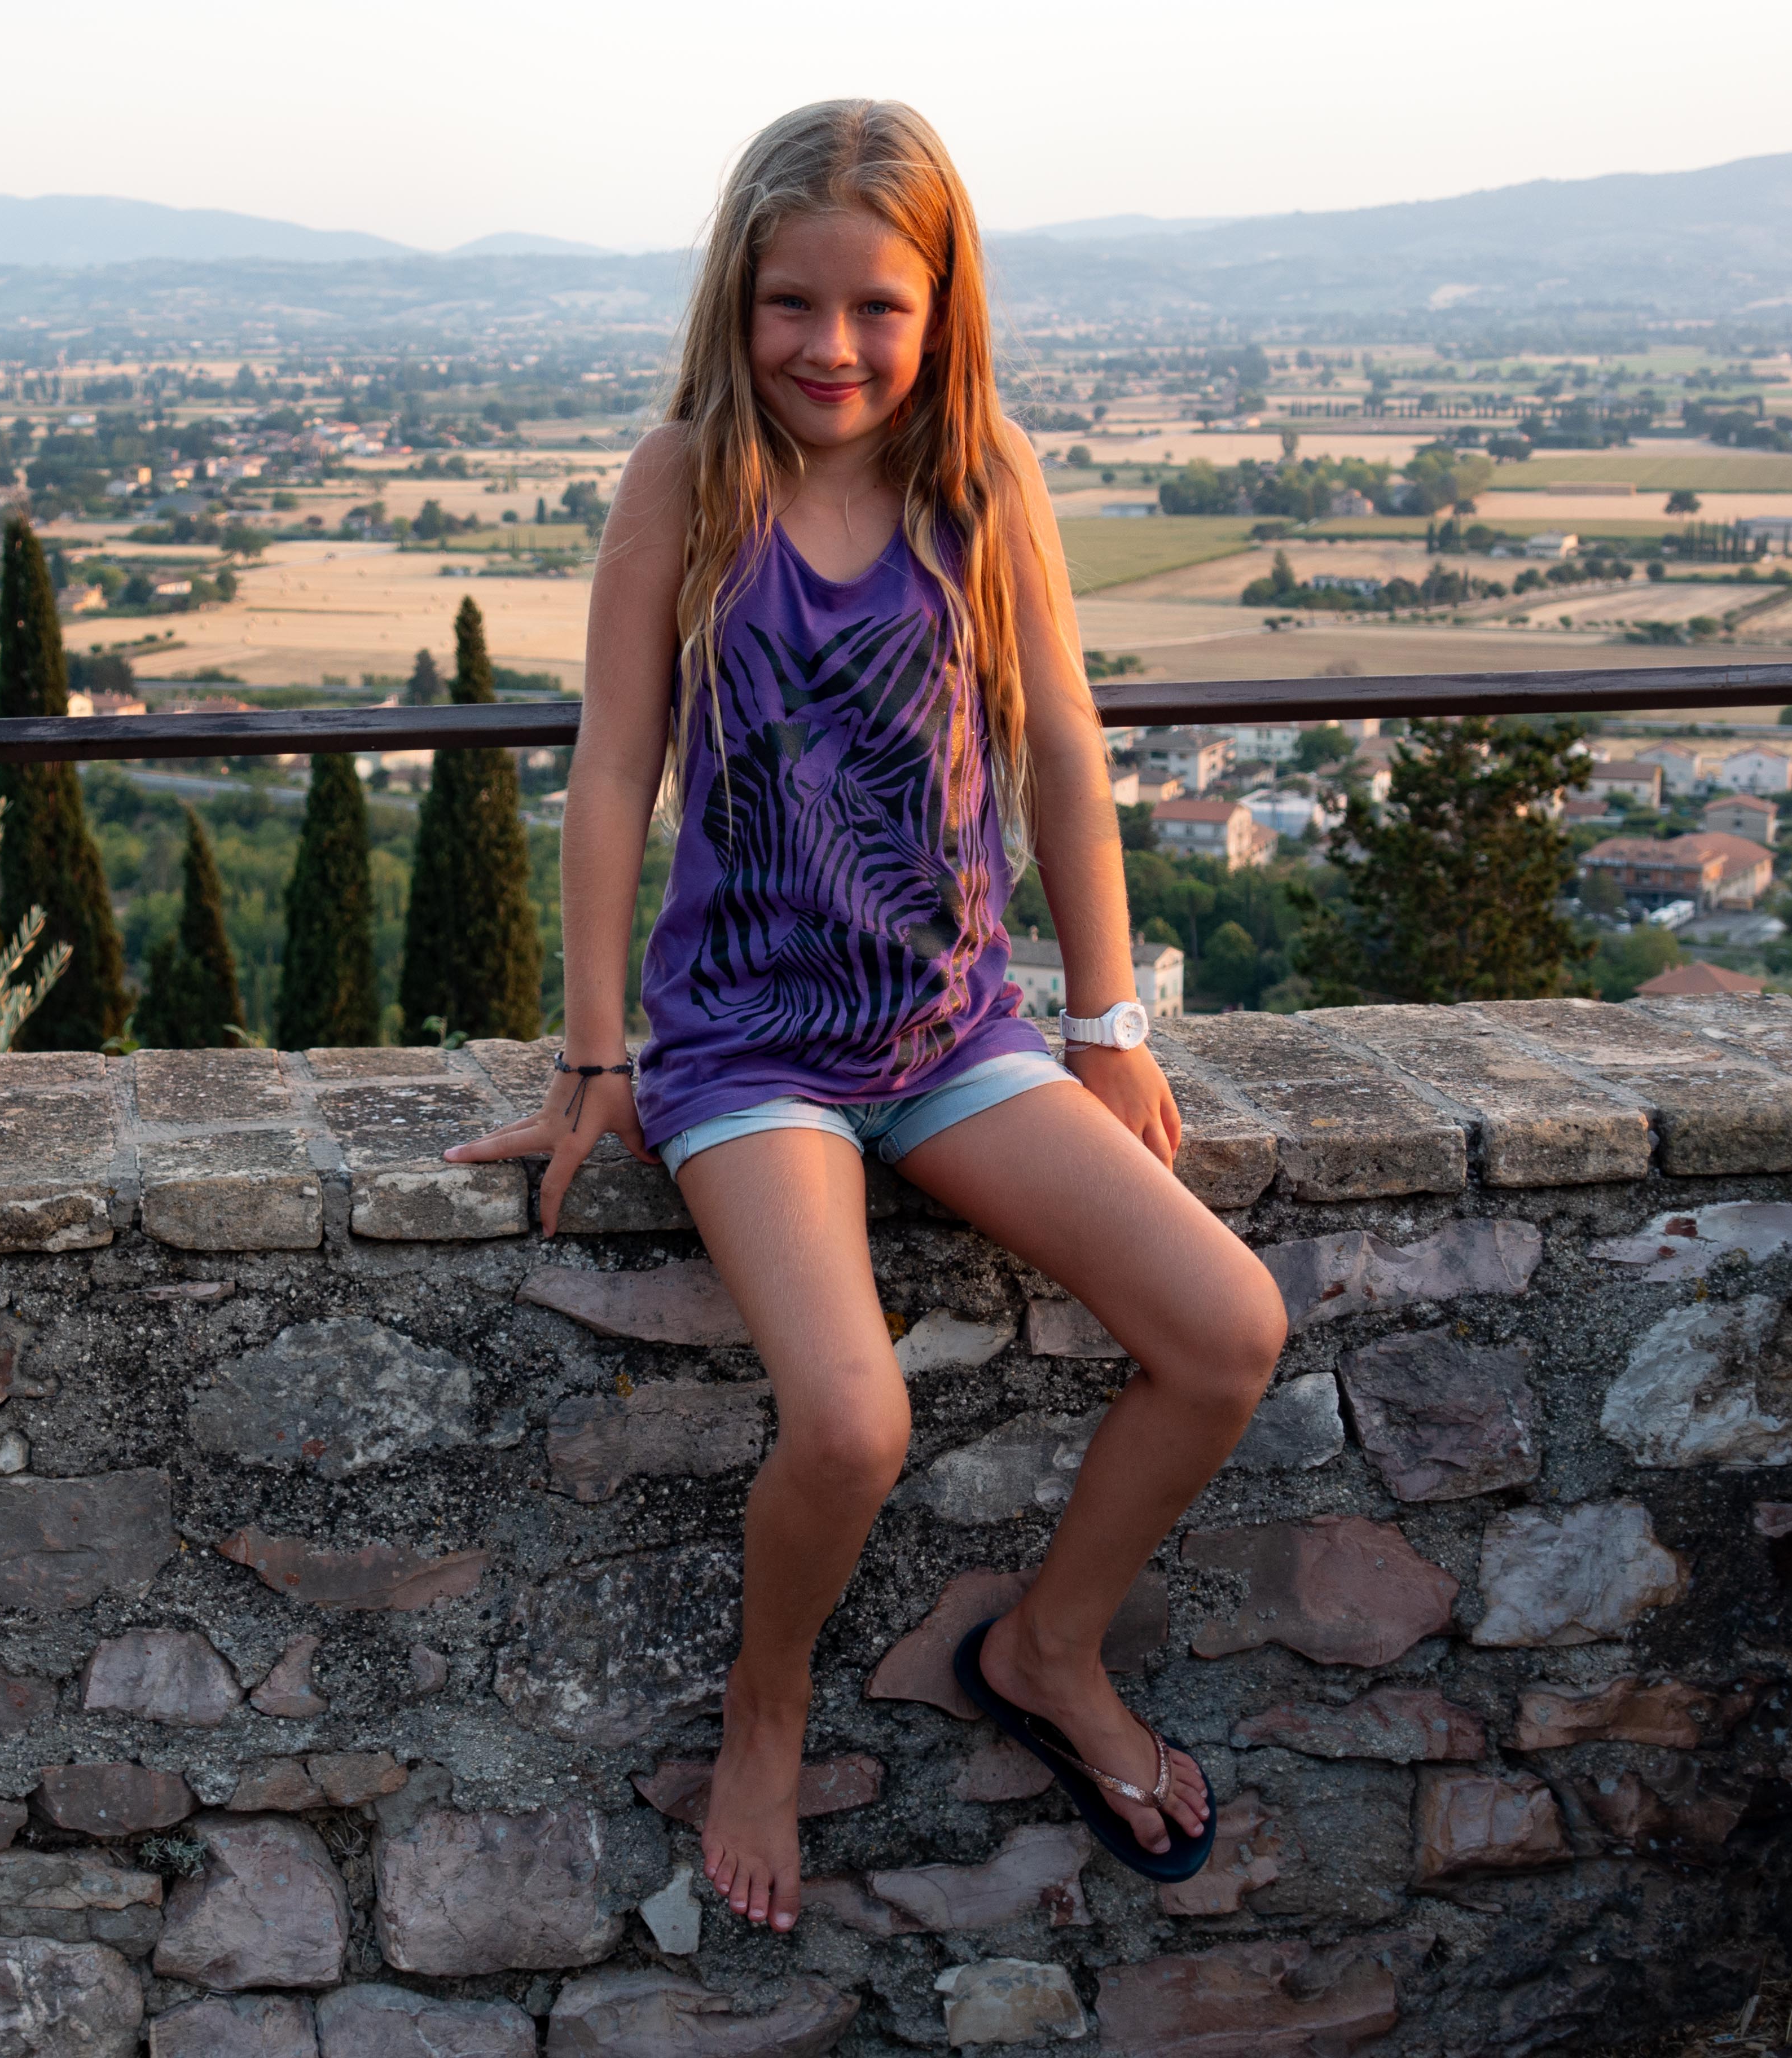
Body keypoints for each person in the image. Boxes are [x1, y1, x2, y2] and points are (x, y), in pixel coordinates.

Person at [445, 99, 1287, 1933]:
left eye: (875, 307)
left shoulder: (982, 475)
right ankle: (767, 1712)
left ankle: (1047, 1650)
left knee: (1228, 1328)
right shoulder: (684, 477)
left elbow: (1061, 753)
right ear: (734, 304)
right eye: (790, 304)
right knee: (848, 1426)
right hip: (745, 1051)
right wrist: (591, 1055)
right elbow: (612, 769)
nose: (830, 347)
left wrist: (1109, 1019)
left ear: (940, 306)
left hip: (955, 1036)